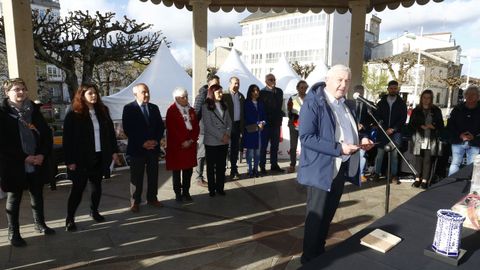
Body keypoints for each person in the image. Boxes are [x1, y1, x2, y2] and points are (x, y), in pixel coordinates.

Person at [298, 65, 373, 264]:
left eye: (347, 81)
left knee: (328, 215)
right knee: (316, 217)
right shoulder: (313, 102)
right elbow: (306, 137)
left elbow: (350, 129)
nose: (343, 85)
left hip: (340, 168)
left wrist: (362, 139)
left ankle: (319, 253)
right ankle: (308, 259)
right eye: (339, 80)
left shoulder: (345, 104)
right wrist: (339, 148)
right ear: (327, 79)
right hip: (321, 170)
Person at [0, 78, 55, 247]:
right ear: (7, 92)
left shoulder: (34, 110)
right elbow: (3, 143)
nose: (21, 92)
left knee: (37, 194)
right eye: (16, 89)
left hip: (37, 161)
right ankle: (13, 232)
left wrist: (41, 155)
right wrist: (24, 157)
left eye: (23, 89)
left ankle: (40, 224)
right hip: (15, 163)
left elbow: (46, 135)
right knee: (14, 198)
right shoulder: (2, 113)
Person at [63, 83, 119, 231]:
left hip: (100, 155)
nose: (94, 96)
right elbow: (67, 139)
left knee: (96, 187)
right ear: (82, 95)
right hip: (81, 158)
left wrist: (114, 151)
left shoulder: (103, 110)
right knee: (78, 189)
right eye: (90, 93)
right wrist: (69, 161)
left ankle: (94, 211)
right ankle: (70, 218)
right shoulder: (73, 112)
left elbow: (110, 134)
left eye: (95, 93)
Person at [122, 83, 165, 212]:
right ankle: (135, 201)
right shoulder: (129, 108)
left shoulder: (154, 108)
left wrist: (155, 141)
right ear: (135, 94)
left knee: (153, 175)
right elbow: (128, 129)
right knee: (136, 177)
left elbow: (160, 127)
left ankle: (152, 198)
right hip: (137, 148)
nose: (146, 94)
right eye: (143, 92)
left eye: (147, 92)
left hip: (153, 148)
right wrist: (142, 143)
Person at [165, 87, 200, 202]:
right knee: (176, 171)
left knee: (188, 171)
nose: (186, 99)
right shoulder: (171, 110)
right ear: (176, 98)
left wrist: (190, 141)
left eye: (186, 96)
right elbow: (172, 129)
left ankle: (186, 191)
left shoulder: (191, 110)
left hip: (189, 146)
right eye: (183, 97)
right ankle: (177, 193)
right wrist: (182, 141)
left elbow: (196, 127)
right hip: (177, 147)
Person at [371, 80, 407, 184]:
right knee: (380, 154)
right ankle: (377, 174)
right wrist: (384, 127)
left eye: (395, 88)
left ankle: (394, 175)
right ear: (388, 89)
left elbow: (403, 118)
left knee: (394, 155)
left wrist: (393, 129)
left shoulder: (401, 103)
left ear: (397, 89)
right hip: (383, 132)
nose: (393, 90)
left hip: (396, 133)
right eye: (391, 88)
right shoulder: (381, 102)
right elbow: (378, 116)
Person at [407, 89, 444, 189]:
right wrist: (420, 126)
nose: (426, 100)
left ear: (431, 99)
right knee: (418, 160)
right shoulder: (416, 110)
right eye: (424, 97)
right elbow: (411, 124)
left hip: (430, 139)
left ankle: (425, 180)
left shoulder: (436, 110)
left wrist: (434, 126)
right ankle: (417, 178)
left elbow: (441, 124)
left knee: (428, 160)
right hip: (419, 137)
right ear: (421, 98)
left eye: (428, 98)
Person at [202, 84, 232, 197]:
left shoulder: (225, 105)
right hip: (212, 141)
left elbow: (229, 122)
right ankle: (212, 189)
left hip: (224, 141)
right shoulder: (206, 107)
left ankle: (220, 187)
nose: (221, 94)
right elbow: (208, 126)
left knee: (221, 165)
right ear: (212, 93)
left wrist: (227, 134)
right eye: (218, 92)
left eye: (221, 92)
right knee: (211, 166)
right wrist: (222, 136)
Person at [447, 85, 480, 176]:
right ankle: (450, 184)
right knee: (455, 163)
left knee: (472, 166)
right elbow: (451, 125)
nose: (470, 96)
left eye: (473, 94)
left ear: (478, 97)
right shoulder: (457, 109)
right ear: (465, 96)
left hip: (475, 142)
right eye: (468, 94)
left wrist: (474, 136)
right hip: (458, 140)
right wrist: (460, 135)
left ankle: (470, 186)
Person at [193, 75, 220, 187]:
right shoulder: (202, 95)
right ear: (209, 84)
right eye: (214, 83)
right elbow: (196, 113)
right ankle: (199, 178)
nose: (216, 86)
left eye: (218, 83)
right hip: (204, 130)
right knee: (201, 154)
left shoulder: (219, 94)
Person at [259, 73, 285, 175]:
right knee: (264, 147)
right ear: (266, 81)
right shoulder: (262, 92)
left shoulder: (279, 91)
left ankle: (274, 165)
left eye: (274, 79)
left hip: (276, 123)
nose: (273, 81)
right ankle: (262, 166)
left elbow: (280, 106)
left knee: (275, 146)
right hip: (266, 124)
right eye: (270, 80)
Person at [222, 76, 245, 180]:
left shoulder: (241, 96)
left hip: (237, 125)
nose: (237, 85)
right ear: (229, 83)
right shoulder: (224, 95)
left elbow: (243, 113)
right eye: (235, 83)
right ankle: (222, 171)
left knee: (235, 149)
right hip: (226, 126)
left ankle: (234, 169)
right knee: (224, 148)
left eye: (238, 83)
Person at [243, 84, 266, 178]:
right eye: (254, 90)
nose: (256, 92)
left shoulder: (261, 103)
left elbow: (264, 116)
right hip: (250, 130)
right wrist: (258, 123)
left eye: (257, 90)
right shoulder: (246, 103)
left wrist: (263, 123)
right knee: (250, 152)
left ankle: (256, 170)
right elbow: (247, 116)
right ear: (250, 92)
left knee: (257, 152)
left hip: (259, 131)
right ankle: (249, 170)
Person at [287, 80, 308, 173]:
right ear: (297, 88)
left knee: (305, 146)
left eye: (305, 87)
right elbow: (289, 111)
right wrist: (296, 118)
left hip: (306, 126)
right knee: (293, 146)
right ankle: (292, 164)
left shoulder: (310, 98)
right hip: (294, 124)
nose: (303, 89)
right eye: (301, 87)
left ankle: (304, 164)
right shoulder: (292, 98)